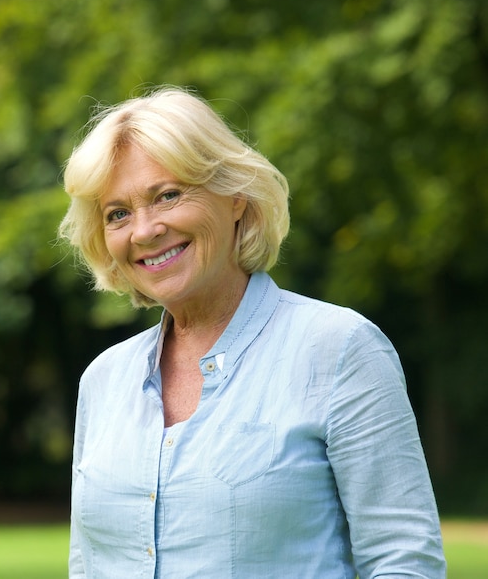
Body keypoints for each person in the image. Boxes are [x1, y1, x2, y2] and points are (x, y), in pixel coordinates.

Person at [59, 86, 446, 578]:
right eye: (118, 213)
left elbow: (404, 561)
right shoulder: (103, 381)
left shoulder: (339, 348)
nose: (144, 230)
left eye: (169, 195)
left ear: (236, 196)